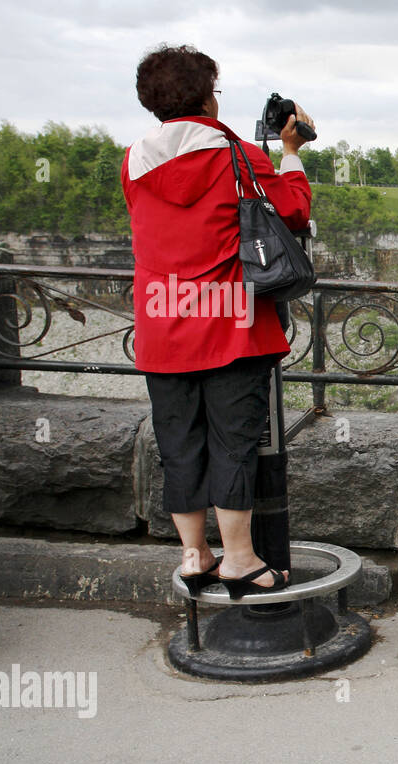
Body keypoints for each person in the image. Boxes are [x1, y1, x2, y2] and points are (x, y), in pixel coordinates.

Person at [121, 44, 314, 597]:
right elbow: (293, 211)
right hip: (229, 323)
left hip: (161, 322)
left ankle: (193, 554)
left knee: (179, 444)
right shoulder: (234, 155)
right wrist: (290, 152)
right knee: (233, 445)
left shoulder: (133, 161)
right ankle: (240, 559)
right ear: (207, 95)